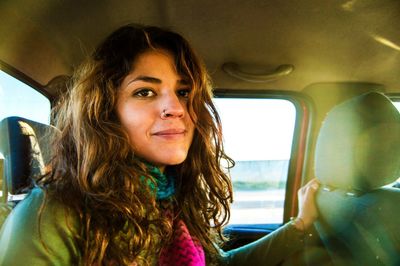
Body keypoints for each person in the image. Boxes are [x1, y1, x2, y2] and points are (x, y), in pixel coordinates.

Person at [0, 24, 319, 266]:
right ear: (106, 110)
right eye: (145, 92)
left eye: (183, 92)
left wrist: (300, 225)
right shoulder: (51, 216)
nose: (176, 108)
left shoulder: (170, 200)